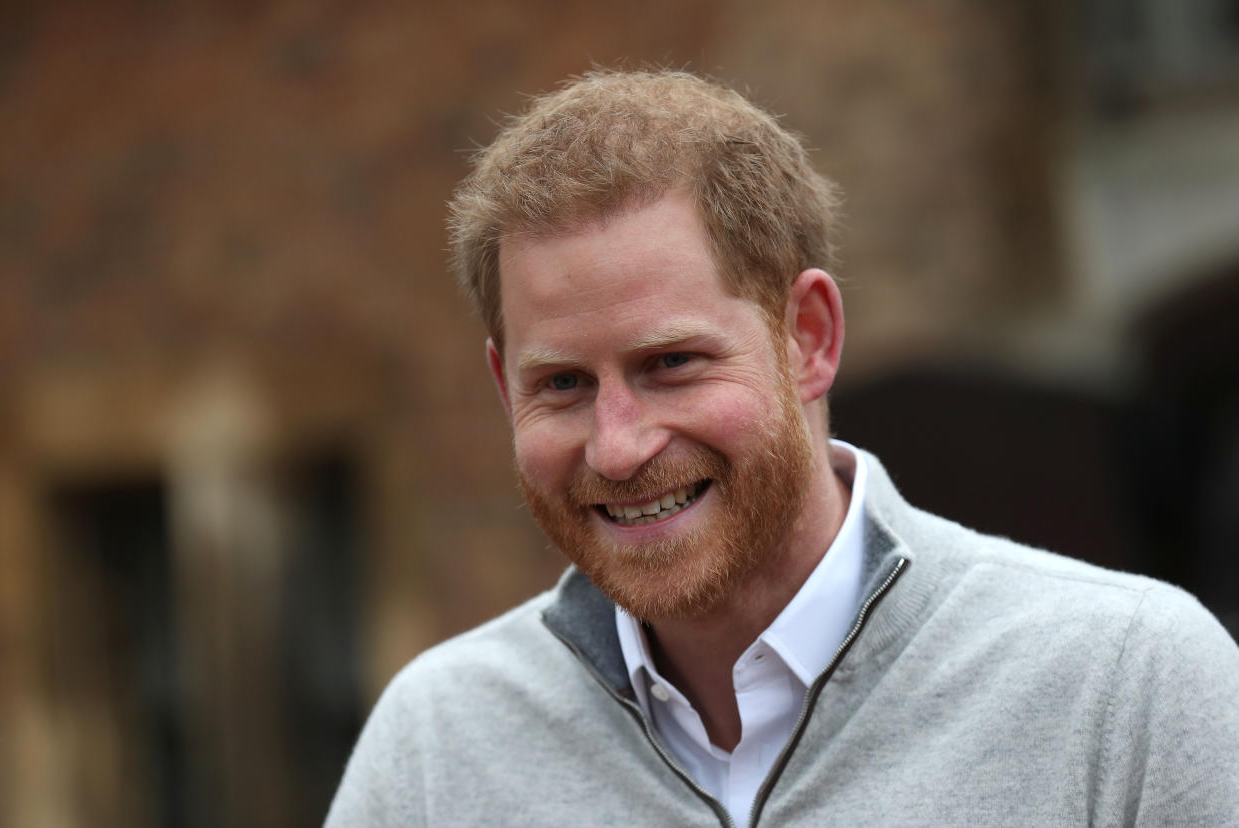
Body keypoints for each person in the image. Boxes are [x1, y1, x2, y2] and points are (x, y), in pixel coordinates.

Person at [326, 70, 1239, 827]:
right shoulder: (435, 750)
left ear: (808, 336)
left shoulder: (1130, 690)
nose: (617, 446)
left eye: (671, 363)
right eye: (561, 384)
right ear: (502, 386)